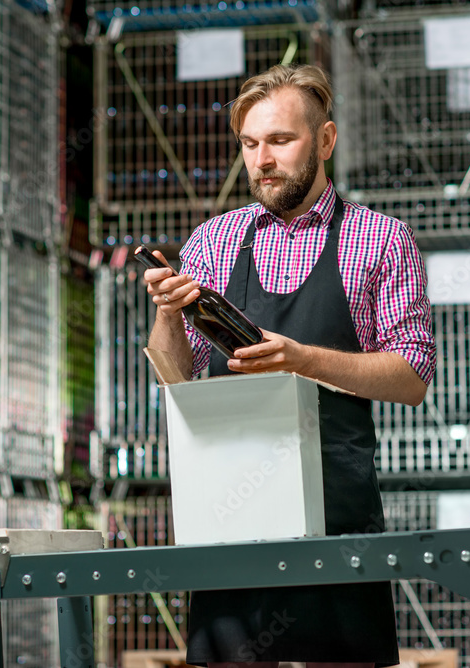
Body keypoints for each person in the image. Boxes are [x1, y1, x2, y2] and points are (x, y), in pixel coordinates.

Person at [144, 63, 436, 668]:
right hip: (232, 512)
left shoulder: (379, 238)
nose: (262, 160)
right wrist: (170, 312)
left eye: (280, 140)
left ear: (325, 140)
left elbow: (412, 376)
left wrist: (301, 359)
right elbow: (175, 377)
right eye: (250, 144)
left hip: (337, 514)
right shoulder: (213, 241)